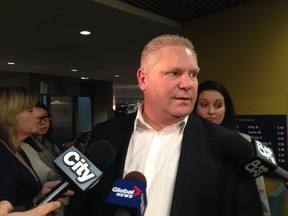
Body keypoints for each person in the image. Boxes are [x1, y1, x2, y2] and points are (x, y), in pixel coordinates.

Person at [66, 34, 263, 215]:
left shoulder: (226, 145)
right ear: (143, 79)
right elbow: (82, 207)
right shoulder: (105, 134)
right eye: (174, 73)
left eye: (193, 74)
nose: (188, 84)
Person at [193, 80, 271, 216]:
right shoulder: (187, 144)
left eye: (218, 105)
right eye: (204, 105)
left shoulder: (243, 142)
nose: (211, 111)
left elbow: (259, 192)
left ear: (225, 109)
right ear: (195, 108)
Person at [0, 86, 73, 212]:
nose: (38, 115)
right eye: (30, 110)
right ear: (9, 115)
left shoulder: (19, 150)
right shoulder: (2, 154)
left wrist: (38, 199)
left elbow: (18, 205)